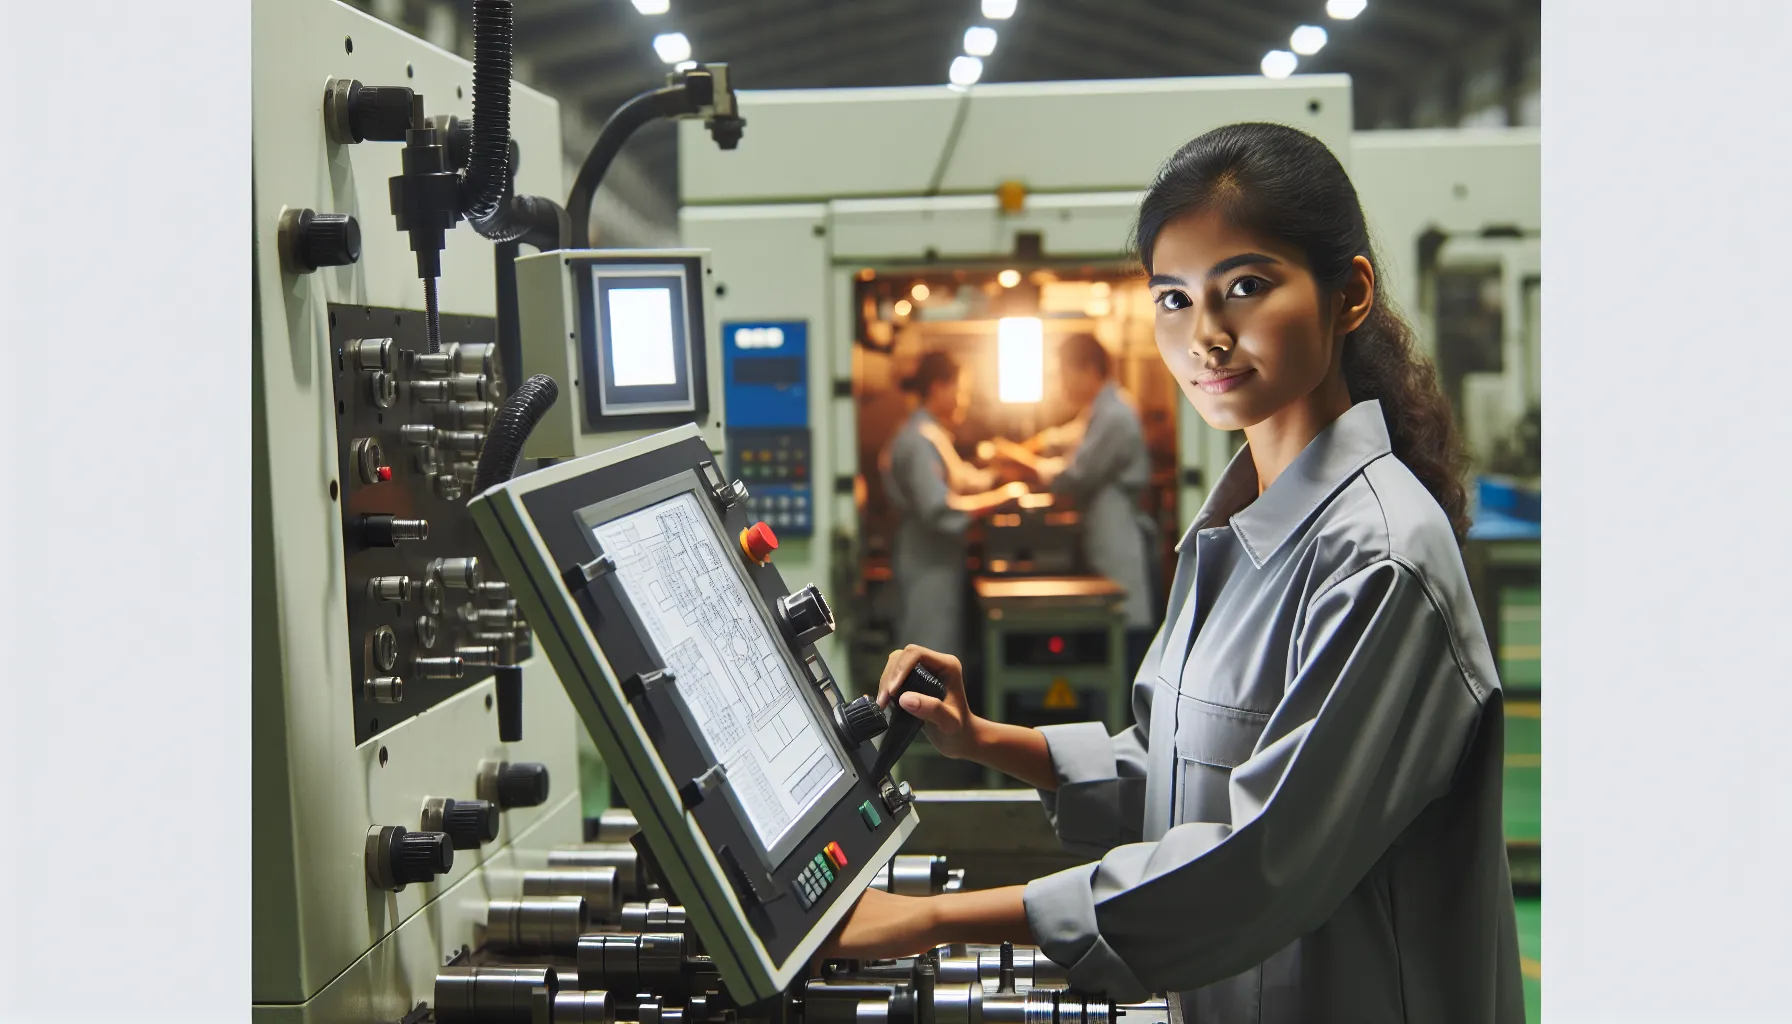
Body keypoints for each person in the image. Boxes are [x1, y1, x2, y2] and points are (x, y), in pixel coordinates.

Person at [829, 122, 1523, 1023]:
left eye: (1245, 287)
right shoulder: (1236, 524)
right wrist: (985, 740)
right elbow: (1172, 767)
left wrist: (929, 921)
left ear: (1349, 294)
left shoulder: (1379, 555)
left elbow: (1260, 856)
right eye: (1173, 298)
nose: (1207, 335)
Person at [993, 334, 1159, 679]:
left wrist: (1015, 458)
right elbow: (1064, 438)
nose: (1061, 382)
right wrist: (1030, 445)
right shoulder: (1100, 411)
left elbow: (1073, 475)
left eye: (1063, 372)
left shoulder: (1115, 415)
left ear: (1088, 370)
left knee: (1126, 641)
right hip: (1105, 534)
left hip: (1119, 539)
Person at [881, 351, 1030, 657]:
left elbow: (962, 479)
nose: (964, 399)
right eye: (960, 390)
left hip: (938, 562)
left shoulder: (932, 434)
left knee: (938, 657)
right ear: (938, 387)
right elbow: (940, 507)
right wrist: (1003, 497)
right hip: (926, 566)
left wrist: (998, 471)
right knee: (926, 659)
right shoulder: (918, 440)